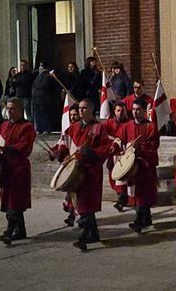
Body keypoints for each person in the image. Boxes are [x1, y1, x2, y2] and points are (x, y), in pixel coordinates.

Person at [0, 97, 36, 245]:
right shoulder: (3, 126)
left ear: (20, 110)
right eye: (8, 109)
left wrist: (4, 149)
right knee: (11, 203)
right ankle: (20, 231)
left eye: (12, 109)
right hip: (5, 170)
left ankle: (9, 232)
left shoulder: (27, 127)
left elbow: (24, 147)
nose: (9, 112)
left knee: (15, 204)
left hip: (18, 170)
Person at [58, 99, 109, 251]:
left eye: (84, 108)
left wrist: (91, 152)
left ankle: (84, 238)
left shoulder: (99, 127)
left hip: (91, 172)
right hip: (76, 171)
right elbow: (66, 145)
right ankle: (93, 235)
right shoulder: (74, 128)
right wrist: (61, 154)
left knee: (87, 205)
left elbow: (105, 149)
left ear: (91, 110)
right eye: (79, 108)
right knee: (84, 205)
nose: (81, 111)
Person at [114, 97, 159, 233]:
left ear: (145, 111)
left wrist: (140, 147)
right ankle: (146, 218)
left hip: (144, 165)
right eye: (133, 109)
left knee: (143, 193)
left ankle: (140, 220)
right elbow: (119, 139)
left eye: (138, 110)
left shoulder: (150, 126)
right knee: (136, 193)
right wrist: (115, 147)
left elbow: (153, 144)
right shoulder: (127, 126)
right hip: (132, 166)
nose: (135, 112)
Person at [48, 103, 80, 226]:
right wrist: (54, 152)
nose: (73, 117)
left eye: (75, 115)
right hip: (69, 164)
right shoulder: (67, 131)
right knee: (70, 191)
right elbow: (61, 144)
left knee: (77, 193)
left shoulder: (83, 129)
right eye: (71, 115)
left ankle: (79, 216)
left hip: (79, 164)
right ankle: (72, 214)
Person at [104, 101, 130, 212]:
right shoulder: (109, 123)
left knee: (122, 178)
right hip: (112, 154)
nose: (121, 113)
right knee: (113, 178)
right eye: (118, 110)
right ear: (114, 112)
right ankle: (121, 197)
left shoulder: (129, 123)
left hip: (123, 154)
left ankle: (121, 200)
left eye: (122, 110)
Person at [31, 63, 54, 134]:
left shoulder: (47, 76)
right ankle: (39, 129)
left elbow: (43, 85)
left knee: (44, 114)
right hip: (36, 98)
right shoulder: (38, 76)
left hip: (43, 98)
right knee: (37, 115)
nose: (40, 68)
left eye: (41, 66)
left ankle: (46, 129)